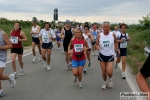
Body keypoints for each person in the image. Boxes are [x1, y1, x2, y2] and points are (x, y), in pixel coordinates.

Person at [95, 21, 119, 90]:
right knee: (104, 71)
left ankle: (110, 79)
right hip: (102, 55)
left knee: (110, 71)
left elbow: (115, 42)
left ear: (109, 27)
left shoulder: (112, 34)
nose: (105, 28)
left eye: (107, 27)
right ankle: (105, 83)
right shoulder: (100, 35)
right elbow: (96, 44)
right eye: (104, 27)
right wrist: (97, 47)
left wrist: (116, 48)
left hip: (110, 55)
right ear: (102, 27)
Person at [0, 29, 16, 97]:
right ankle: (1, 91)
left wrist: (0, 47)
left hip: (1, 57)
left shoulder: (2, 34)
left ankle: (9, 78)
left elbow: (10, 45)